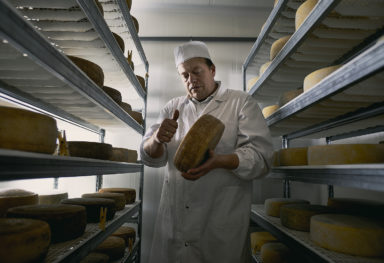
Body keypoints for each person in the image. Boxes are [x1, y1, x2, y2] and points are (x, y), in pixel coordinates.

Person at [140, 41, 273, 263]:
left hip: (220, 225)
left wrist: (221, 161)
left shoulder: (241, 103)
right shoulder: (172, 107)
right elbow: (150, 158)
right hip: (175, 223)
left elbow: (262, 159)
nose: (191, 79)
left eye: (196, 71)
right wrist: (156, 139)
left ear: (212, 70)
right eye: (184, 75)